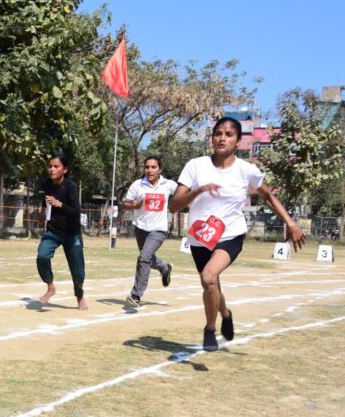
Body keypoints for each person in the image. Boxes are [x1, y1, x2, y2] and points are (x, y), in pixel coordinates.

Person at [169, 116, 305, 351]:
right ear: (212, 138)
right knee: (211, 285)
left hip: (230, 234)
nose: (222, 138)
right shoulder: (196, 166)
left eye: (229, 134)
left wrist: (291, 223)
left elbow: (268, 197)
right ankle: (226, 313)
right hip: (200, 237)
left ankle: (209, 329)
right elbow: (173, 206)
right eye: (218, 133)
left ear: (238, 140)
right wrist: (198, 191)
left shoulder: (246, 169)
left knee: (209, 277)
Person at [122, 156, 178, 308]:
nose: (149, 170)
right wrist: (134, 206)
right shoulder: (138, 185)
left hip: (158, 229)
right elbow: (126, 204)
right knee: (147, 258)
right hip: (141, 228)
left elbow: (183, 192)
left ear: (160, 169)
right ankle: (164, 267)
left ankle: (136, 295)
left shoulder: (168, 185)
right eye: (147, 167)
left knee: (144, 257)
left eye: (153, 167)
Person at [36, 153, 88, 310]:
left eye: (56, 166)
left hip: (72, 234)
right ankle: (50, 287)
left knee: (78, 272)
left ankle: (80, 296)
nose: (51, 169)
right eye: (50, 166)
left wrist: (59, 204)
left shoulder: (71, 186)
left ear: (64, 169)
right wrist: (42, 212)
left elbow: (76, 211)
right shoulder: (47, 183)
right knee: (42, 255)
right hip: (53, 231)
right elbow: (45, 199)